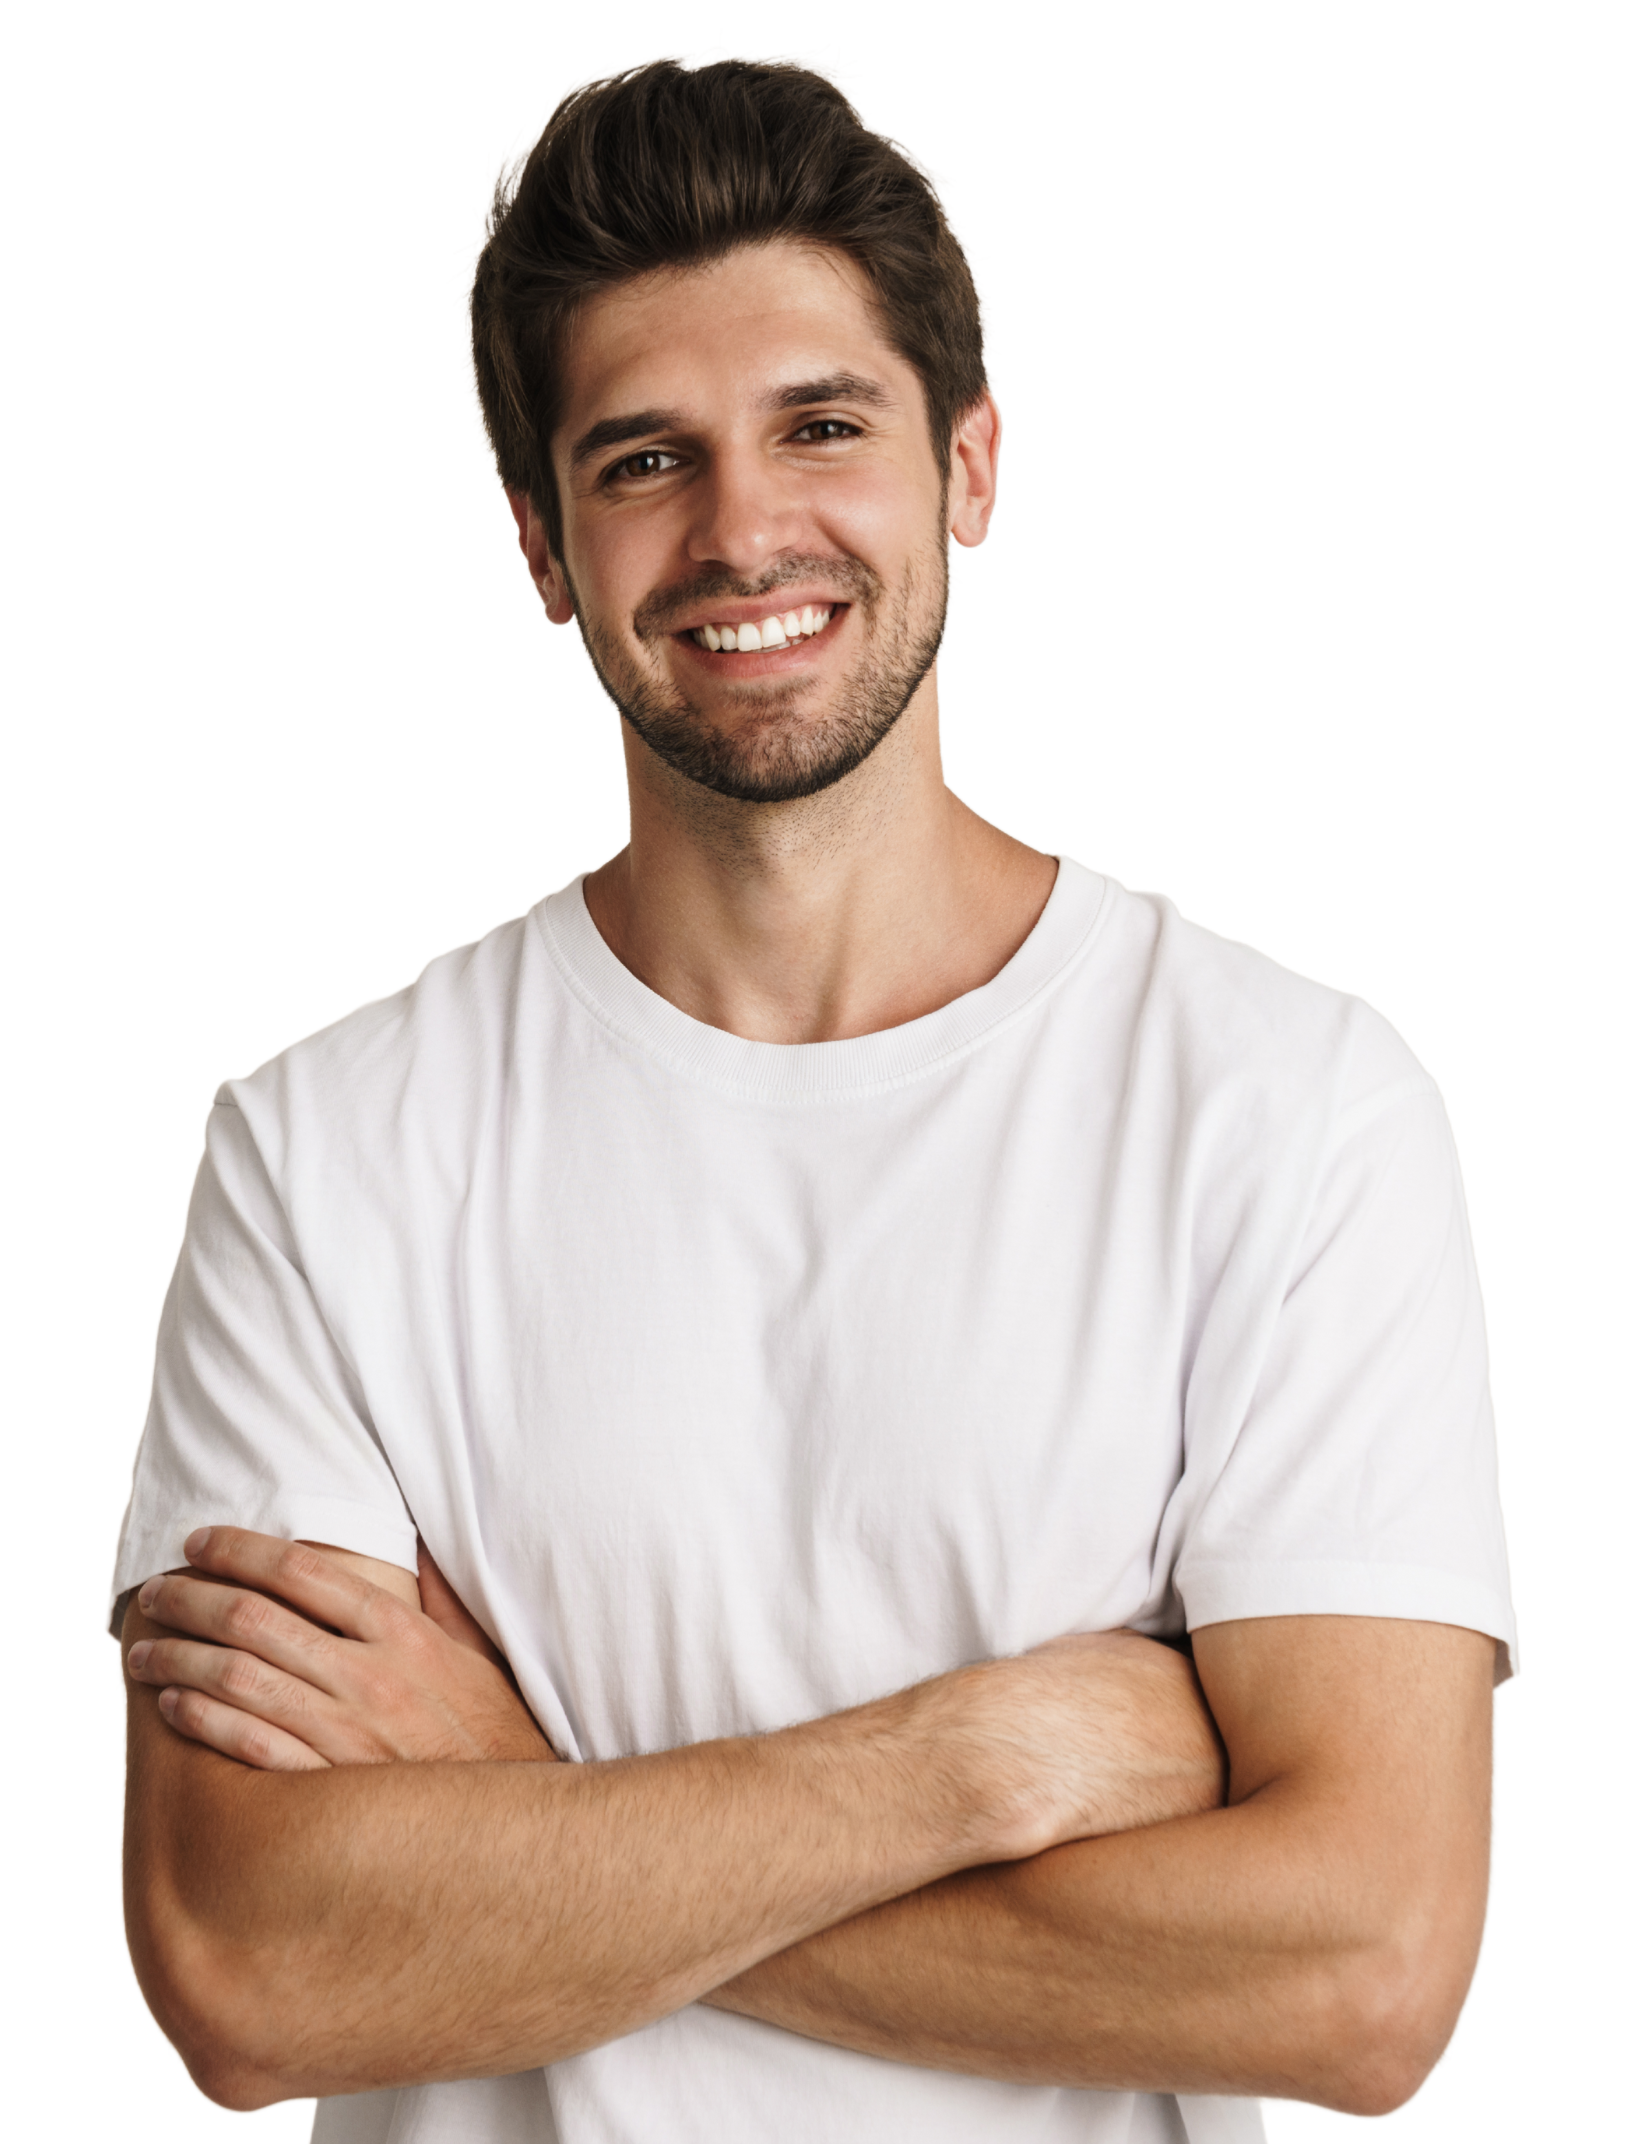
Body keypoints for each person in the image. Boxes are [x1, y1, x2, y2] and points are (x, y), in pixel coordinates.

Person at [108, 45, 1517, 2144]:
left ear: (972, 465)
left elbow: (1364, 1972)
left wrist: (519, 1818)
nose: (743, 528)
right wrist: (981, 1762)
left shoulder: (1288, 1108)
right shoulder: (329, 1154)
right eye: (644, 459)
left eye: (822, 427)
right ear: (541, 550)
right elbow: (249, 1972)